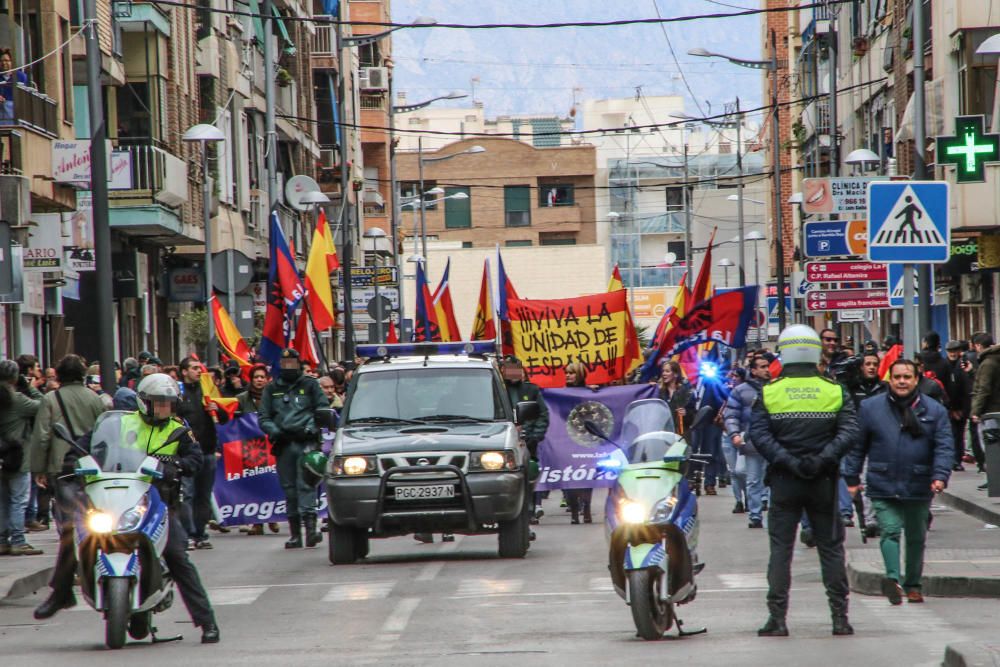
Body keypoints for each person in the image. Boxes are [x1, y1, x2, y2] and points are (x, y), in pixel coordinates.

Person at [32, 374, 220, 643]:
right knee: (74, 535)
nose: (165, 408)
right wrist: (74, 461)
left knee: (178, 556)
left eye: (169, 404)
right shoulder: (119, 423)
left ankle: (207, 622)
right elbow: (88, 444)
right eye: (160, 403)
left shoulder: (179, 429)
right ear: (144, 403)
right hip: (114, 495)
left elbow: (195, 459)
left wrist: (175, 467)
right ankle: (60, 594)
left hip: (160, 502)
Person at [749, 325, 859, 638]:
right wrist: (822, 459)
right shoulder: (834, 390)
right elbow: (849, 432)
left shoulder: (769, 391)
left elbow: (759, 435)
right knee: (831, 549)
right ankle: (840, 618)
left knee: (780, 550)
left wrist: (789, 461)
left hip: (785, 480)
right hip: (823, 480)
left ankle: (777, 619)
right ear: (816, 352)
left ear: (782, 353)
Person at [845, 359, 953, 605]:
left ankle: (913, 585)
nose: (902, 382)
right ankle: (893, 580)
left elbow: (944, 447)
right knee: (890, 530)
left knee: (916, 536)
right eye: (897, 377)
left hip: (919, 482)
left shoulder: (934, 411)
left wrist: (940, 476)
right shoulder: (871, 408)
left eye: (907, 377)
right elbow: (857, 446)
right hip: (882, 481)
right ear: (889, 380)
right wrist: (852, 478)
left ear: (916, 380)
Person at [31, 355, 107, 536]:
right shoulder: (95, 398)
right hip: (91, 462)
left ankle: (71, 549)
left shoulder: (50, 399)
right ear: (82, 375)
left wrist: (38, 468)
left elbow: (42, 436)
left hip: (61, 464)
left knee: (67, 515)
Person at [258, 349, 327, 549]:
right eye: (284, 362)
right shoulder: (272, 389)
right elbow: (263, 417)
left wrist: (311, 428)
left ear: (298, 363)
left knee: (306, 485)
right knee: (289, 490)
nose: (288, 366)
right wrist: (275, 431)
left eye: (292, 362)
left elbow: (321, 410)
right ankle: (295, 534)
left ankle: (311, 531)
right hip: (284, 444)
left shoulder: (310, 385)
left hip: (307, 443)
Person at [0, 359, 44, 555]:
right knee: (18, 500)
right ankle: (18, 540)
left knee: (2, 501)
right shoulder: (18, 400)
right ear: (15, 377)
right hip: (17, 456)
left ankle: (2, 540)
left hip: (1, 456)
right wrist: (30, 387)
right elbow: (42, 405)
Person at [176, 357, 219, 550]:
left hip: (207, 451)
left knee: (203, 495)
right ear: (184, 371)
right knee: (187, 495)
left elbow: (224, 417)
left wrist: (217, 409)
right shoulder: (178, 392)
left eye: (199, 368)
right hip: (186, 453)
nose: (198, 371)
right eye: (194, 368)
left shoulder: (207, 389)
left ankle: (201, 533)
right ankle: (188, 534)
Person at [501, 355, 549, 522]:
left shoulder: (531, 390)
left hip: (528, 441)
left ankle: (530, 509)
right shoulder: (498, 390)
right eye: (510, 369)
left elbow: (542, 414)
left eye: (517, 369)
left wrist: (535, 435)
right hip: (503, 442)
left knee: (530, 472)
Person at [724, 355, 770, 528]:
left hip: (774, 441)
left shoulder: (776, 387)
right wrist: (734, 433)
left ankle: (774, 514)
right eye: (762, 366)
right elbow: (731, 414)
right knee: (753, 479)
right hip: (752, 442)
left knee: (774, 479)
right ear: (753, 370)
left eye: (767, 366)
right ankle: (755, 515)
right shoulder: (740, 390)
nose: (766, 369)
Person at [563, 361, 593, 524]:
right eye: (566, 372)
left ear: (580, 374)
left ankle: (586, 508)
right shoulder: (559, 394)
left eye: (572, 372)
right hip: (567, 439)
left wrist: (595, 392)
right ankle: (574, 511)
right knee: (571, 475)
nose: (568, 375)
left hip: (585, 439)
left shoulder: (589, 392)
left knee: (587, 475)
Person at [946, 340, 973, 471]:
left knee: (958, 433)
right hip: (949, 405)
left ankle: (956, 459)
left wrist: (959, 408)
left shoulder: (961, 365)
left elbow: (962, 387)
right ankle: (954, 459)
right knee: (953, 434)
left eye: (954, 351)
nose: (952, 353)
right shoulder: (945, 365)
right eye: (950, 351)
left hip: (960, 405)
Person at [658, 360, 695, 434]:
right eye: (663, 371)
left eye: (667, 371)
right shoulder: (659, 391)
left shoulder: (686, 392)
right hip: (663, 435)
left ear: (675, 374)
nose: (664, 374)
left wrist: (686, 413)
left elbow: (693, 415)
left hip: (681, 436)